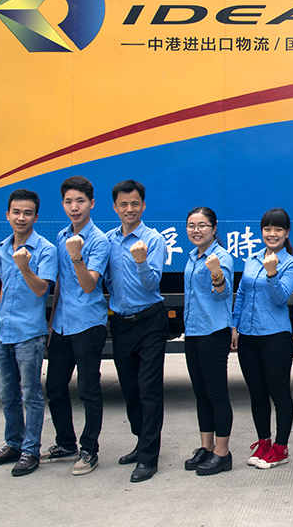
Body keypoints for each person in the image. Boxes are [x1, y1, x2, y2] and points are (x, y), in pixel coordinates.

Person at [0, 189, 57, 477]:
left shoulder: (46, 250)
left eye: (27, 213)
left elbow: (41, 290)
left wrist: (24, 266)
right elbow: (4, 286)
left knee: (31, 395)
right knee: (6, 394)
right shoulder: (1, 248)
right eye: (16, 212)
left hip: (29, 334)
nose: (21, 217)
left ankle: (30, 450)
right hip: (4, 332)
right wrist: (1, 320)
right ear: (7, 215)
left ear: (36, 217)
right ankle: (13, 444)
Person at [43, 176, 109, 476]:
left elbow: (88, 284)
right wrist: (50, 324)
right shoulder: (61, 236)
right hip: (62, 324)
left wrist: (76, 256)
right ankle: (66, 442)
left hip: (88, 324)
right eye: (69, 202)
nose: (74, 207)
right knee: (55, 387)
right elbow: (60, 283)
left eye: (80, 201)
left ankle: (89, 449)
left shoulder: (99, 240)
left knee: (88, 389)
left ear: (91, 203)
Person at [104, 180, 168, 483]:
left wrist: (141, 262)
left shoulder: (153, 240)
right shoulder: (109, 240)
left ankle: (148, 458)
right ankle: (141, 441)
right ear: (115, 207)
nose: (129, 209)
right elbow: (106, 278)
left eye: (134, 204)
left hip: (150, 320)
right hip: (120, 322)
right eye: (123, 204)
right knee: (130, 390)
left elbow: (152, 283)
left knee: (149, 389)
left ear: (143, 206)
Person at [233, 208, 293, 470]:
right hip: (248, 337)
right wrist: (235, 325)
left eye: (278, 229)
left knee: (279, 394)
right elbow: (241, 293)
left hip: (275, 337)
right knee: (257, 394)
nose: (272, 234)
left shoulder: (291, 263)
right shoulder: (252, 259)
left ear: (287, 233)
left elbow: (281, 298)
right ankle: (264, 443)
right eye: (267, 229)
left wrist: (272, 274)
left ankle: (281, 448)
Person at [182, 207, 234, 475]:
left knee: (216, 394)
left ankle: (223, 453)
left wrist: (216, 273)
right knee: (201, 394)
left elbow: (223, 294)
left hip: (213, 333)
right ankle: (207, 446)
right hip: (193, 332)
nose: (196, 230)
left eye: (202, 225)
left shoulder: (220, 257)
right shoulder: (192, 256)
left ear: (214, 228)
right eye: (191, 225)